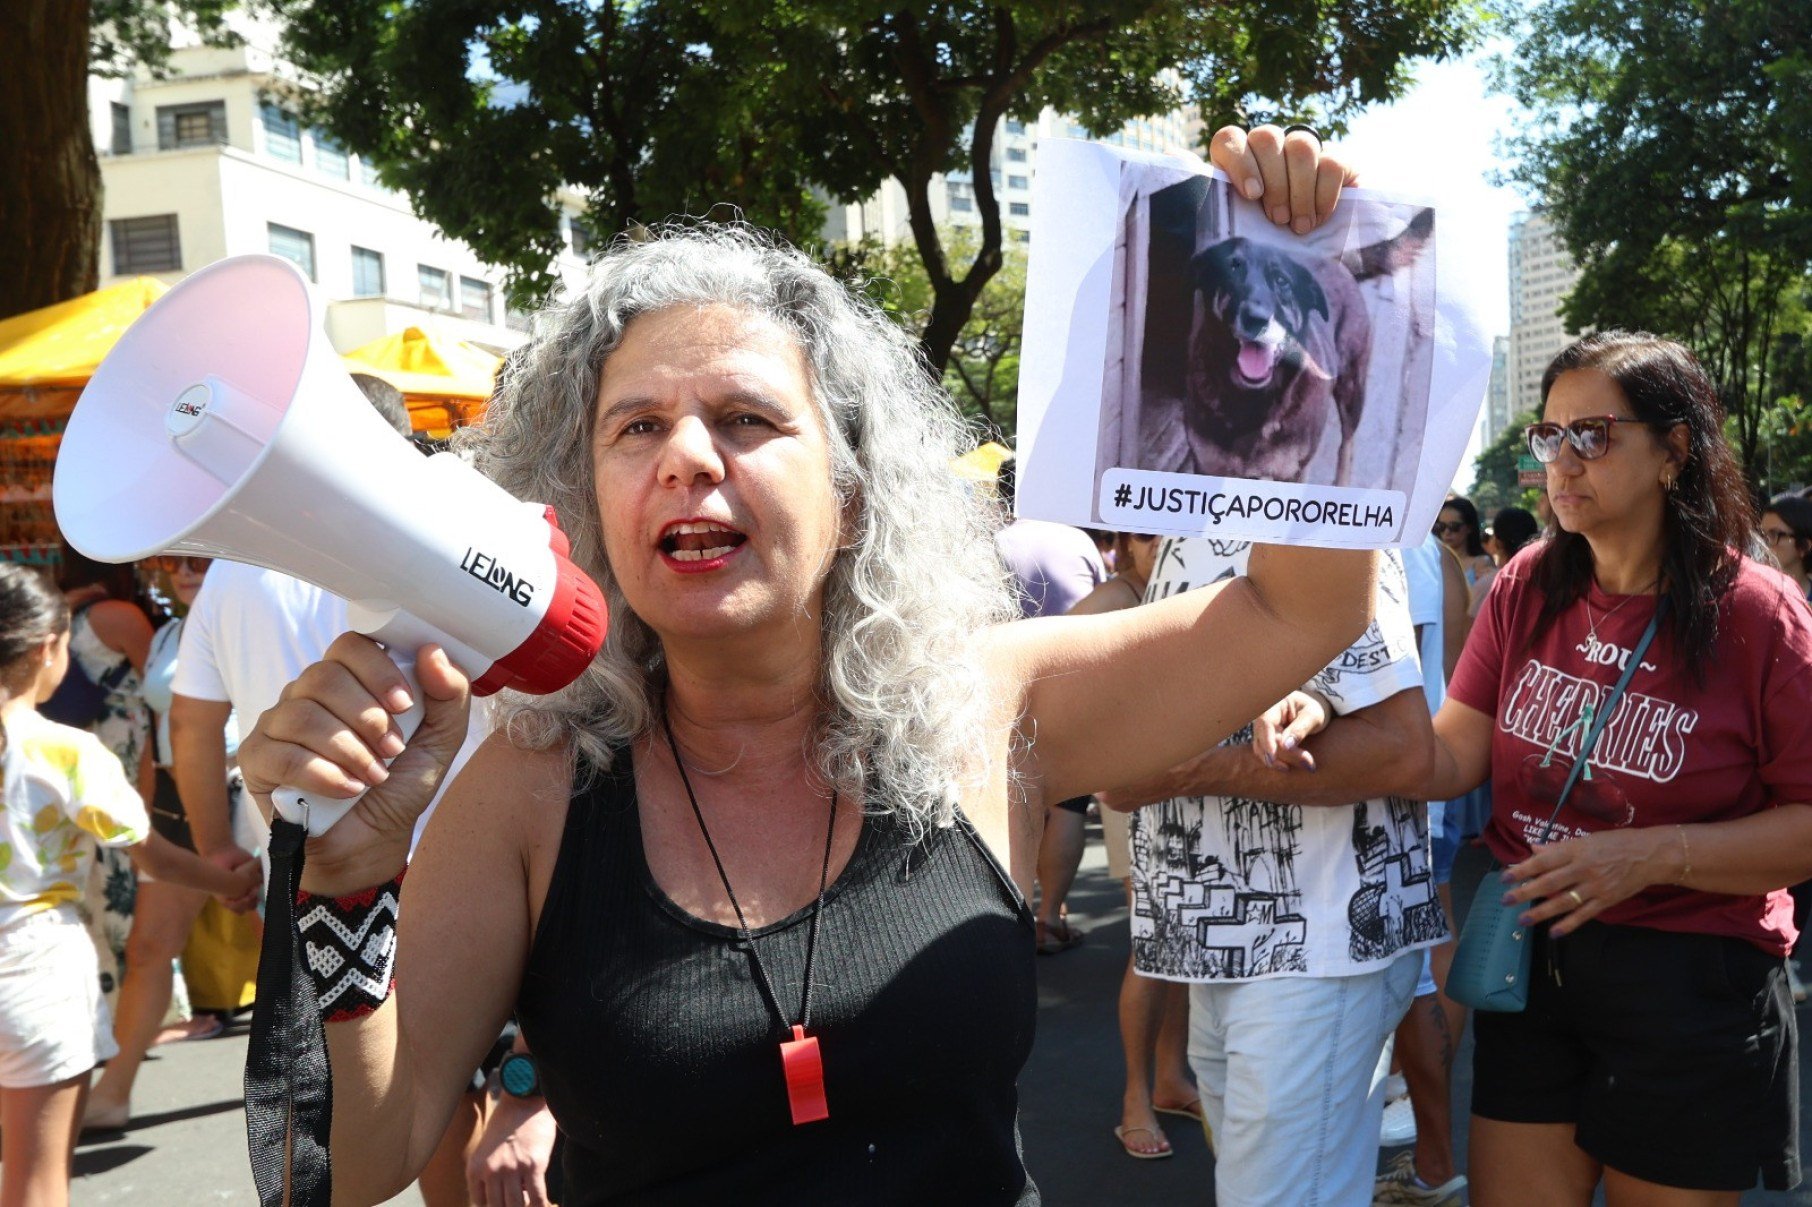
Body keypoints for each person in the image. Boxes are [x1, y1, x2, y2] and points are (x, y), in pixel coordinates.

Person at [233, 126, 1380, 1205]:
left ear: (852, 486)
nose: (687, 457)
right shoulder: (528, 789)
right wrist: (340, 885)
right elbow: (349, 1161)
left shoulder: (990, 703)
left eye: (744, 419)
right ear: (585, 499)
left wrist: (1285, 278)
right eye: (637, 427)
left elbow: (1300, 607)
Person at [1308, 332, 1812, 1201]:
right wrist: (1326, 710)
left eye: (1595, 434)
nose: (1562, 462)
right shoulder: (1528, 584)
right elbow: (1452, 750)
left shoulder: (1760, 613)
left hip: (1692, 979)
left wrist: (1648, 854)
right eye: (1551, 436)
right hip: (1532, 965)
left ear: (1674, 450)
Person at [169, 377, 545, 1207]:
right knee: (430, 1122)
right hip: (415, 874)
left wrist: (220, 845)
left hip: (339, 873)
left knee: (425, 1115)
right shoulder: (456, 539)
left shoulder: (233, 578)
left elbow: (192, 723)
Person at [1098, 541, 1441, 1206]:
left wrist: (1183, 768)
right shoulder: (1182, 517)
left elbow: (1403, 750)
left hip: (1311, 952)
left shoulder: (1321, 504)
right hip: (1219, 950)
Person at [0, 564, 260, 1207]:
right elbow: (153, 855)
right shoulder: (66, 752)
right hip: (34, 966)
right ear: (46, 649)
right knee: (36, 1182)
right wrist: (225, 876)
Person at [81, 554, 258, 1131]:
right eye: (176, 559)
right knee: (151, 948)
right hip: (173, 805)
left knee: (288, 943)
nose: (186, 571)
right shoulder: (169, 635)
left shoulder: (244, 616)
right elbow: (164, 732)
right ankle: (115, 1092)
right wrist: (145, 813)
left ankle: (354, 1079)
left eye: (202, 560)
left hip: (242, 795)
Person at [1065, 532, 1199, 1160]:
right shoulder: (1109, 603)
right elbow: (1050, 686)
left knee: (1183, 940)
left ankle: (1171, 1078)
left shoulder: (1183, 586)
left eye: (1173, 533)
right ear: (1121, 544)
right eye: (1147, 536)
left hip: (1188, 782)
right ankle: (1135, 1099)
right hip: (1133, 787)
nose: (1163, 546)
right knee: (1152, 945)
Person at [1373, 530, 1472, 1205]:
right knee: (1432, 930)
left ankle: (1428, 1138)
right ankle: (1432, 1146)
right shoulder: (1440, 556)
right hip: (1433, 770)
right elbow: (1463, 674)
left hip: (1388, 784)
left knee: (1414, 947)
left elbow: (1381, 677)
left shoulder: (1385, 545)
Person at [994, 457, 1107, 955]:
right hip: (1076, 684)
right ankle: (1050, 916)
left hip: (1010, 686)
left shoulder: (996, 542)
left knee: (1018, 803)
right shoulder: (1076, 540)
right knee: (1068, 804)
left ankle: (1013, 924)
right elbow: (1112, 605)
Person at [1433, 497, 1495, 614]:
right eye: (1441, 526)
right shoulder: (1432, 561)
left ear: (1469, 528)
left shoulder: (1481, 563)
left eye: (1454, 527)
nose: (1447, 532)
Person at [1761, 493, 1812, 600]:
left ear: (1805, 546)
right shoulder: (1752, 594)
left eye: (1774, 534)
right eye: (1762, 535)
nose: (1763, 543)